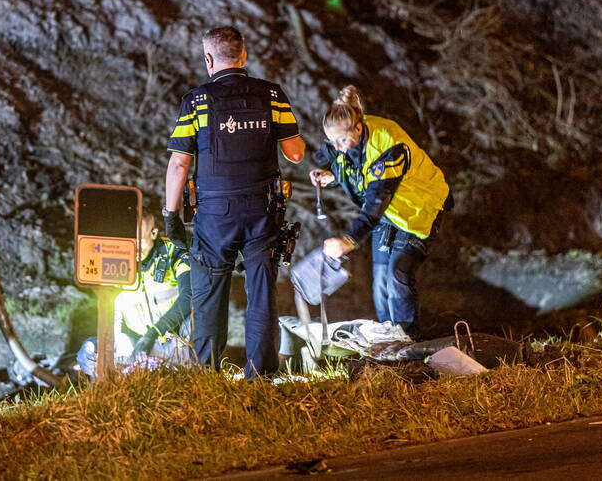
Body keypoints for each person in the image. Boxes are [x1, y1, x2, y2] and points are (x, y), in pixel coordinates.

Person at [164, 26, 305, 379]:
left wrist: (170, 214)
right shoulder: (272, 95)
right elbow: (296, 153)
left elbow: (179, 162)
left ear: (209, 59)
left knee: (209, 291)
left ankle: (207, 375)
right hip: (262, 210)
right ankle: (261, 375)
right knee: (261, 292)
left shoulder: (196, 101)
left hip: (214, 213)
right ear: (243, 55)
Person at [310, 85, 452, 339]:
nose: (338, 146)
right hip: (390, 210)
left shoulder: (389, 145)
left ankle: (408, 340)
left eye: (342, 140)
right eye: (333, 140)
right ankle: (390, 338)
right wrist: (330, 176)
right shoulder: (343, 136)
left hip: (418, 208)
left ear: (358, 128)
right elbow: (341, 160)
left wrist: (349, 240)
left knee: (398, 273)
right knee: (379, 281)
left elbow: (375, 204)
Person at [116, 212, 192, 359]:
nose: (135, 250)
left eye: (140, 242)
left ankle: (197, 371)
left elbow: (190, 295)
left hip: (175, 343)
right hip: (136, 344)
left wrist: (155, 332)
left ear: (153, 233)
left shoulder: (173, 253)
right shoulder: (115, 257)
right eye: (130, 243)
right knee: (88, 351)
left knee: (201, 317)